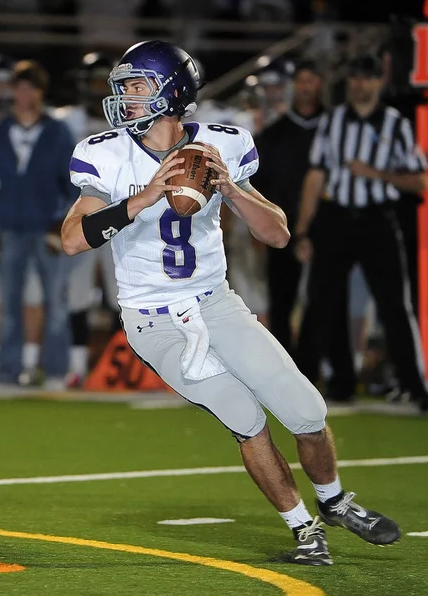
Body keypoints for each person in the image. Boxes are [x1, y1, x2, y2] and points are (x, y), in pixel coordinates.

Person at [61, 40, 400, 565]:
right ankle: (304, 528)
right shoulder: (103, 152)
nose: (124, 96)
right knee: (244, 415)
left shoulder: (223, 144)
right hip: (153, 318)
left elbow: (279, 234)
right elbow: (72, 239)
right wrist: (141, 199)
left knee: (307, 412)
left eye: (136, 86)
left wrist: (233, 190)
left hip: (217, 302)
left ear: (171, 92)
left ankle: (333, 501)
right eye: (123, 86)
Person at [294, 54, 428, 412]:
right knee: (319, 304)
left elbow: (419, 179)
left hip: (376, 219)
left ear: (379, 82)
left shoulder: (395, 123)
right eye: (354, 77)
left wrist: (377, 174)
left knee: (396, 306)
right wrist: (303, 230)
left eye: (367, 78)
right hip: (335, 218)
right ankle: (300, 386)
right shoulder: (333, 121)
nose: (360, 84)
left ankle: (416, 387)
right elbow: (315, 176)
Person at [0, 60, 78, 389]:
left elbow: (76, 184)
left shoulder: (57, 132)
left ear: (41, 92)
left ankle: (55, 370)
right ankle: (8, 370)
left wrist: (63, 223)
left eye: (31, 87)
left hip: (47, 227)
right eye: (20, 87)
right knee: (9, 304)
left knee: (55, 303)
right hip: (9, 228)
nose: (25, 94)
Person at [53, 52, 119, 387]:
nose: (97, 90)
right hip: (80, 214)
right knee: (77, 294)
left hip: (121, 218)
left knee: (122, 294)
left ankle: (123, 366)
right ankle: (78, 366)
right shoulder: (67, 122)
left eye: (102, 82)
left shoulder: (129, 120)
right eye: (93, 82)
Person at [253, 59, 326, 352]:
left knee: (324, 298)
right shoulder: (273, 134)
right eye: (302, 80)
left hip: (328, 226)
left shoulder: (334, 127)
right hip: (281, 225)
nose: (306, 87)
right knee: (281, 299)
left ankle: (314, 365)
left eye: (312, 80)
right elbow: (258, 183)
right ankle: (283, 368)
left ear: (320, 84)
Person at [0, 54, 45, 383]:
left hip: (19, 221)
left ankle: (25, 362)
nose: (2, 91)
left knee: (29, 295)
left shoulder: (31, 125)